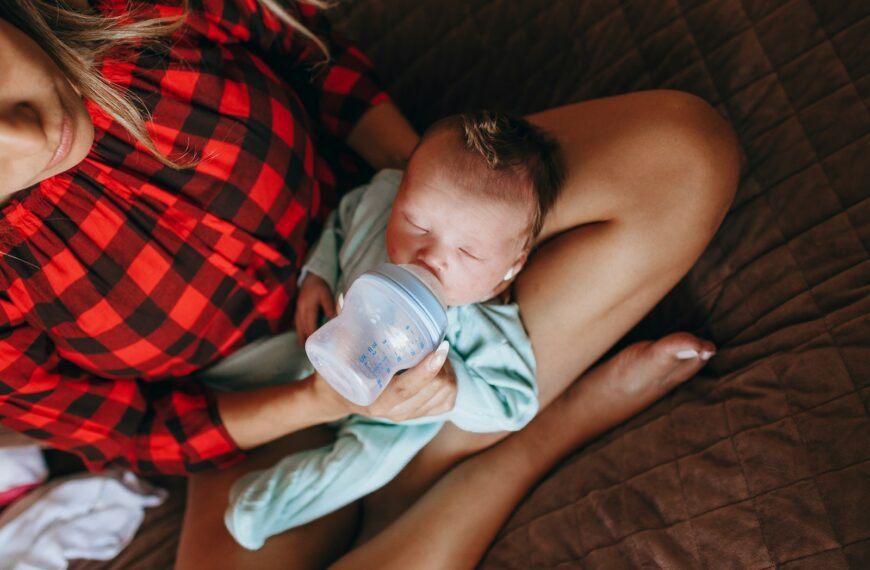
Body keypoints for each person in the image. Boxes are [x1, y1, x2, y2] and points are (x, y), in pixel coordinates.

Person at [0, 1, 740, 568]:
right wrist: (318, 399)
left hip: (387, 227)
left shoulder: (120, 13)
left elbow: (306, 50)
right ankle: (522, 445)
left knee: (683, 155)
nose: (29, 135)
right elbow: (139, 430)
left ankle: (419, 461)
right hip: (265, 411)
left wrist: (423, 203)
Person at [220, 111, 564, 548]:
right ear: (400, 189)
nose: (430, 255)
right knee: (260, 363)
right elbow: (344, 216)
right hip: (324, 343)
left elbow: (516, 402)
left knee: (369, 463)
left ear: (508, 270)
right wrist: (319, 273)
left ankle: (269, 503)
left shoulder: (484, 321)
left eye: (468, 253)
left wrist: (452, 387)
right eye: (417, 223)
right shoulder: (379, 202)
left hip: (395, 416)